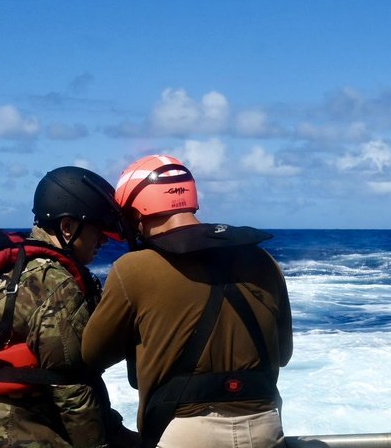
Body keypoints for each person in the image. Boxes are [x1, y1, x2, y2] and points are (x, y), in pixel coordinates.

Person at [83, 154, 293, 448]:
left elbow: (92, 355)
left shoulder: (132, 269)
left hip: (184, 433)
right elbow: (283, 354)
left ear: (135, 213)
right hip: (264, 427)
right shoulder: (264, 261)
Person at [0, 166, 139, 448]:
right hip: (14, 427)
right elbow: (70, 386)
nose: (104, 240)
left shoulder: (17, 264)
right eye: (98, 229)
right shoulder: (56, 284)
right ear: (67, 227)